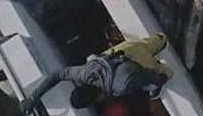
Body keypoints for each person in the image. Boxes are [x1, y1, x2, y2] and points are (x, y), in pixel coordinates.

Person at [21, 34, 173, 111]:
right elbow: (57, 75)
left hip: (140, 63)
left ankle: (163, 66)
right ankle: (160, 40)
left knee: (158, 80)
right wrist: (34, 97)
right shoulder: (84, 73)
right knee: (160, 39)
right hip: (125, 49)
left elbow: (146, 77)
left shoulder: (120, 88)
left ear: (95, 100)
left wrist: (160, 79)